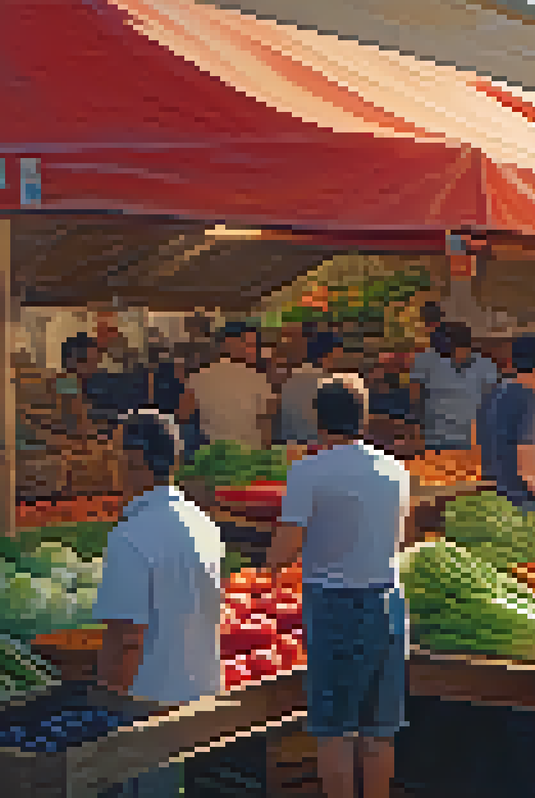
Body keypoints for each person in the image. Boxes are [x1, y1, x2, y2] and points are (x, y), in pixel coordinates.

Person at [269, 383, 411, 798]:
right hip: (388, 601)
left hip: (335, 605)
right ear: (364, 418)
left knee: (334, 731)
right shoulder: (394, 470)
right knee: (379, 732)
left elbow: (286, 545)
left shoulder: (309, 470)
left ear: (317, 418)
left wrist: (272, 565)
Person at [95, 412, 224, 798]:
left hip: (149, 706)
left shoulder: (130, 538)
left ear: (133, 461)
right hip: (202, 697)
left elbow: (127, 639)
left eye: (115, 453)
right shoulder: (202, 523)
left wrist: (106, 709)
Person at [479, 336, 535, 515]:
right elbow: (527, 469)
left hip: (505, 500)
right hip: (531, 507)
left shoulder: (497, 393)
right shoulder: (532, 400)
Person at [182, 322, 276, 450]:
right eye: (250, 345)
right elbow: (267, 423)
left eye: (255, 346)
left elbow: (183, 415)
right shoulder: (259, 378)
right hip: (250, 453)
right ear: (230, 344)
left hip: (212, 454)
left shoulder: (197, 376)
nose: (255, 351)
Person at [410, 321, 499, 452]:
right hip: (434, 438)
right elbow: (415, 399)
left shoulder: (485, 365)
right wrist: (416, 431)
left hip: (472, 440)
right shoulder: (425, 360)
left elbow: (491, 402)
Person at [279, 332, 368, 445]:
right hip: (320, 446)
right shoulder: (332, 383)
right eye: (339, 353)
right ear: (329, 354)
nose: (342, 358)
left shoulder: (294, 376)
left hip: (292, 445)